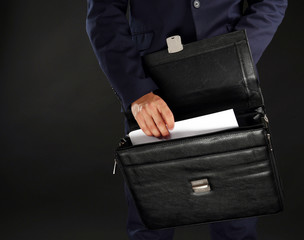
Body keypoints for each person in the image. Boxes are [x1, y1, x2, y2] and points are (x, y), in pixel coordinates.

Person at [86, 0, 287, 239]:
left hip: (229, 80)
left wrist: (236, 52)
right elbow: (102, 12)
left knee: (237, 221)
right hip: (151, 86)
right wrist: (135, 91)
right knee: (152, 220)